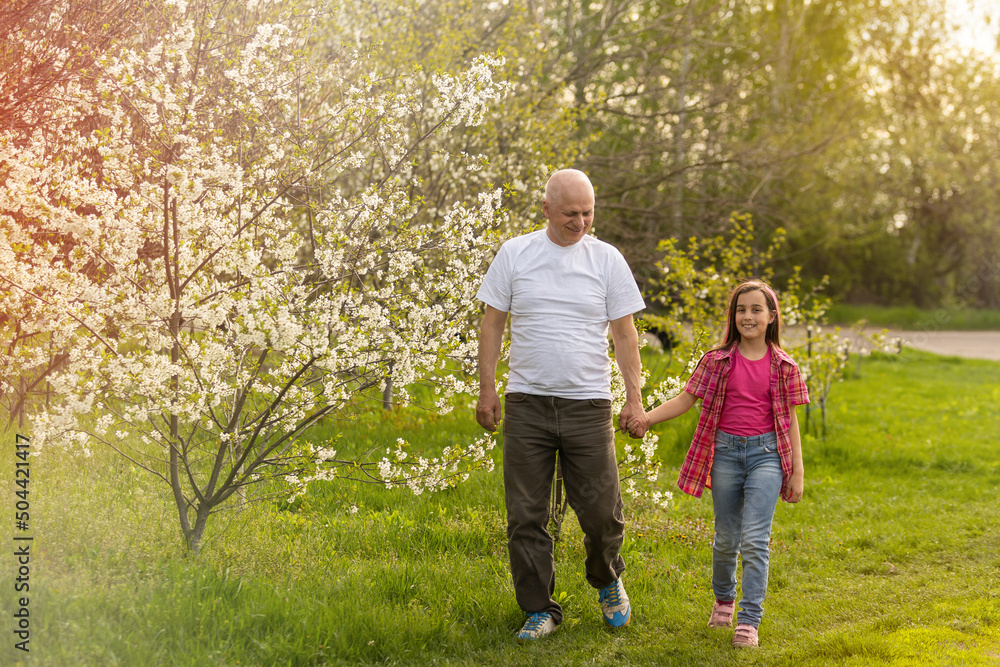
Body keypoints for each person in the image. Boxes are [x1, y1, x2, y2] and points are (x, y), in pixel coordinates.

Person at [475, 169, 647, 643]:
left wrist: (635, 399)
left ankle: (608, 579)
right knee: (525, 515)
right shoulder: (516, 253)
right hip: (527, 403)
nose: (581, 222)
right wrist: (487, 389)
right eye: (571, 213)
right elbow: (492, 325)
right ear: (546, 209)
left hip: (588, 405)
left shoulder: (607, 260)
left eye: (588, 212)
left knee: (601, 513)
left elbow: (626, 334)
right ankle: (540, 610)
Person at [626, 279, 808, 649]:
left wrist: (797, 472)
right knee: (726, 539)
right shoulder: (717, 361)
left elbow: (789, 420)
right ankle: (724, 601)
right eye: (741, 310)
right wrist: (646, 418)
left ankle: (748, 620)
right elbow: (685, 399)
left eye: (757, 309)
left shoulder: (785, 366)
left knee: (755, 540)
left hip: (767, 457)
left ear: (772, 316)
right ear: (733, 316)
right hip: (725, 454)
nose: (748, 316)